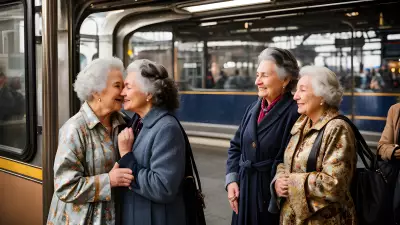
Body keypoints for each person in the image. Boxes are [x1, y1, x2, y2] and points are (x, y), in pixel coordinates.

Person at [46, 57, 134, 225]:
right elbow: (65, 187)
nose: (123, 92)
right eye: (117, 86)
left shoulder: (123, 123)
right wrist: (109, 180)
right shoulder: (74, 129)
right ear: (97, 91)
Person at [271, 66, 357, 224]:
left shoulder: (337, 128)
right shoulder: (302, 122)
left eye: (302, 90)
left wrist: (292, 182)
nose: (295, 96)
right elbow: (287, 162)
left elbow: (335, 183)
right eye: (296, 90)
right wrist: (279, 181)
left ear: (322, 95)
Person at [225, 47, 300, 225]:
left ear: (285, 79)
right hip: (244, 192)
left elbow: (295, 161)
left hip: (270, 199)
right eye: (257, 75)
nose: (258, 81)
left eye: (264, 76)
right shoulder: (253, 109)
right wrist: (232, 181)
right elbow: (236, 147)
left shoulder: (295, 113)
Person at [116, 59, 186, 225]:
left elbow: (163, 187)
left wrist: (126, 157)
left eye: (128, 87)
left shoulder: (166, 128)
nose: (122, 93)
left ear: (149, 93)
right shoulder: (137, 122)